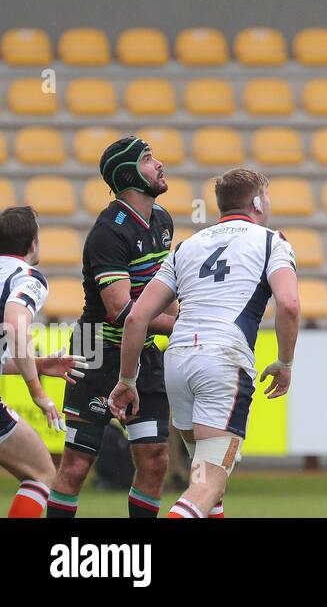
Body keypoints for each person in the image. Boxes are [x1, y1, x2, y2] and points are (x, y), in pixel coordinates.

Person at [110, 168, 299, 519]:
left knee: (207, 478)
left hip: (179, 361)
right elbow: (288, 304)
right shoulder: (272, 241)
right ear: (258, 202)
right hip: (222, 361)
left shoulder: (187, 246)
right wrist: (285, 363)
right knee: (207, 483)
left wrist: (127, 380)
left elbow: (137, 317)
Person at [50, 136, 176, 519]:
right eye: (149, 160)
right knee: (75, 466)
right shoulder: (109, 232)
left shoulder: (163, 221)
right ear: (128, 174)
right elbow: (121, 310)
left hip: (142, 351)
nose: (159, 165)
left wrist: (183, 319)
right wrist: (178, 325)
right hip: (94, 350)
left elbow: (164, 292)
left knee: (154, 460)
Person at [0, 206, 86, 517]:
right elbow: (15, 323)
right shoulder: (27, 277)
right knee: (41, 475)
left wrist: (37, 363)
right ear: (34, 244)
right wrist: (38, 393)